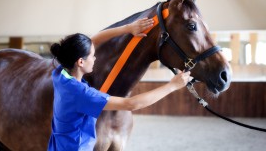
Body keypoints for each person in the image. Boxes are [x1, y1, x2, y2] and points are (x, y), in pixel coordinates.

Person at [47, 17, 190, 151]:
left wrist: (128, 28)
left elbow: (93, 40)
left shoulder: (61, 72)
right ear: (80, 62)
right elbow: (131, 104)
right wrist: (172, 86)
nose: (95, 58)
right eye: (92, 55)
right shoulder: (82, 95)